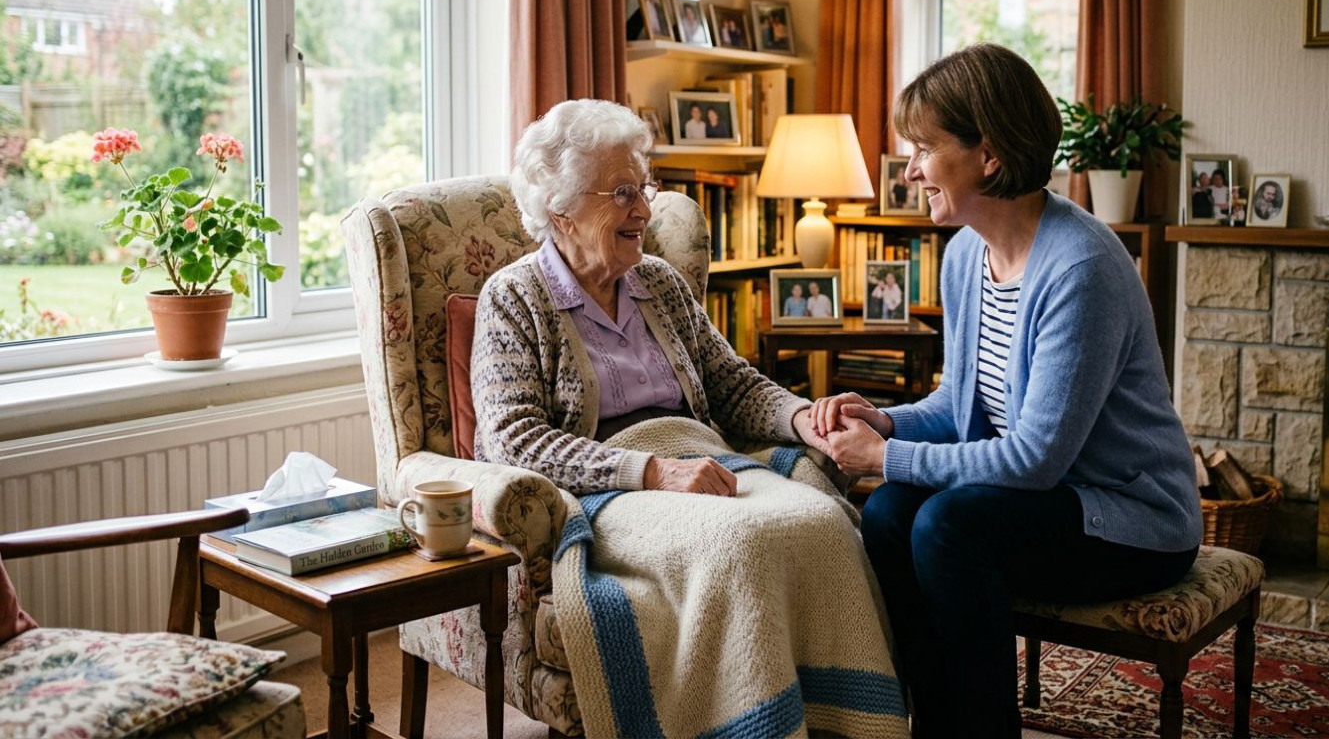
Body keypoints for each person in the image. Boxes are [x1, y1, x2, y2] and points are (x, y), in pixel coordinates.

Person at [472, 98, 905, 738]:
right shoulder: (513, 298)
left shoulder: (660, 283)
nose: (644, 210)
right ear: (560, 211)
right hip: (612, 490)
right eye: (622, 193)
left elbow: (729, 381)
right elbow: (515, 441)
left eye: (643, 187)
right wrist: (651, 472)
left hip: (703, 457)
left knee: (823, 520)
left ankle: (846, 722)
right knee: (736, 544)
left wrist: (801, 417)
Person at [808, 44, 1202, 738]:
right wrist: (888, 423)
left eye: (924, 149)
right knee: (892, 513)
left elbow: (1033, 458)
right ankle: (934, 723)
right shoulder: (967, 254)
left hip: (1132, 519)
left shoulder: (1079, 267)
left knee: (947, 524)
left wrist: (882, 458)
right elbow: (960, 404)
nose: (910, 170)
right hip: (1048, 504)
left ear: (987, 155)